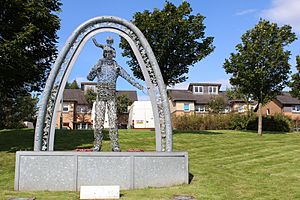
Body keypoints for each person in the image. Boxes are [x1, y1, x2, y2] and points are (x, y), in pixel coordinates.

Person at [87, 36, 144, 152]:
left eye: (110, 52)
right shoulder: (99, 65)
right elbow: (89, 77)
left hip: (111, 97)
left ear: (113, 54)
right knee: (99, 121)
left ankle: (115, 145)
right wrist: (94, 70)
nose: (107, 54)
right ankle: (97, 144)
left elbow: (128, 77)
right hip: (100, 96)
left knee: (113, 120)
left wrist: (140, 86)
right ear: (103, 53)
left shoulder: (116, 67)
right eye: (106, 52)